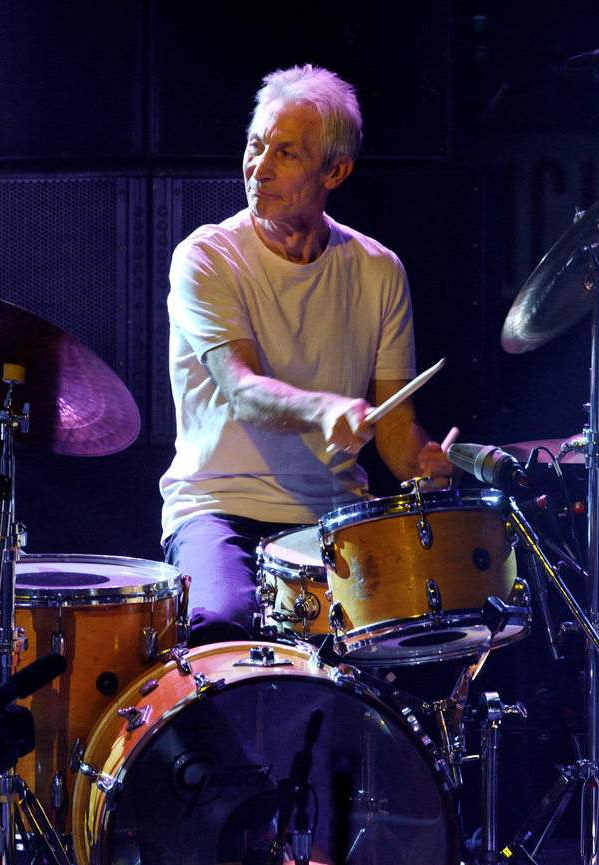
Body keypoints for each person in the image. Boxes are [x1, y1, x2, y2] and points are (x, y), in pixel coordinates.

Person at [160, 64, 459, 647]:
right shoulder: (207, 256)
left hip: (335, 514)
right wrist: (325, 410)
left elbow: (393, 426)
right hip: (219, 506)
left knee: (412, 637)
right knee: (220, 628)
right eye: (254, 145)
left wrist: (421, 463)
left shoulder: (377, 270)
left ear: (336, 170)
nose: (259, 167)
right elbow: (242, 390)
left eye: (287, 153)